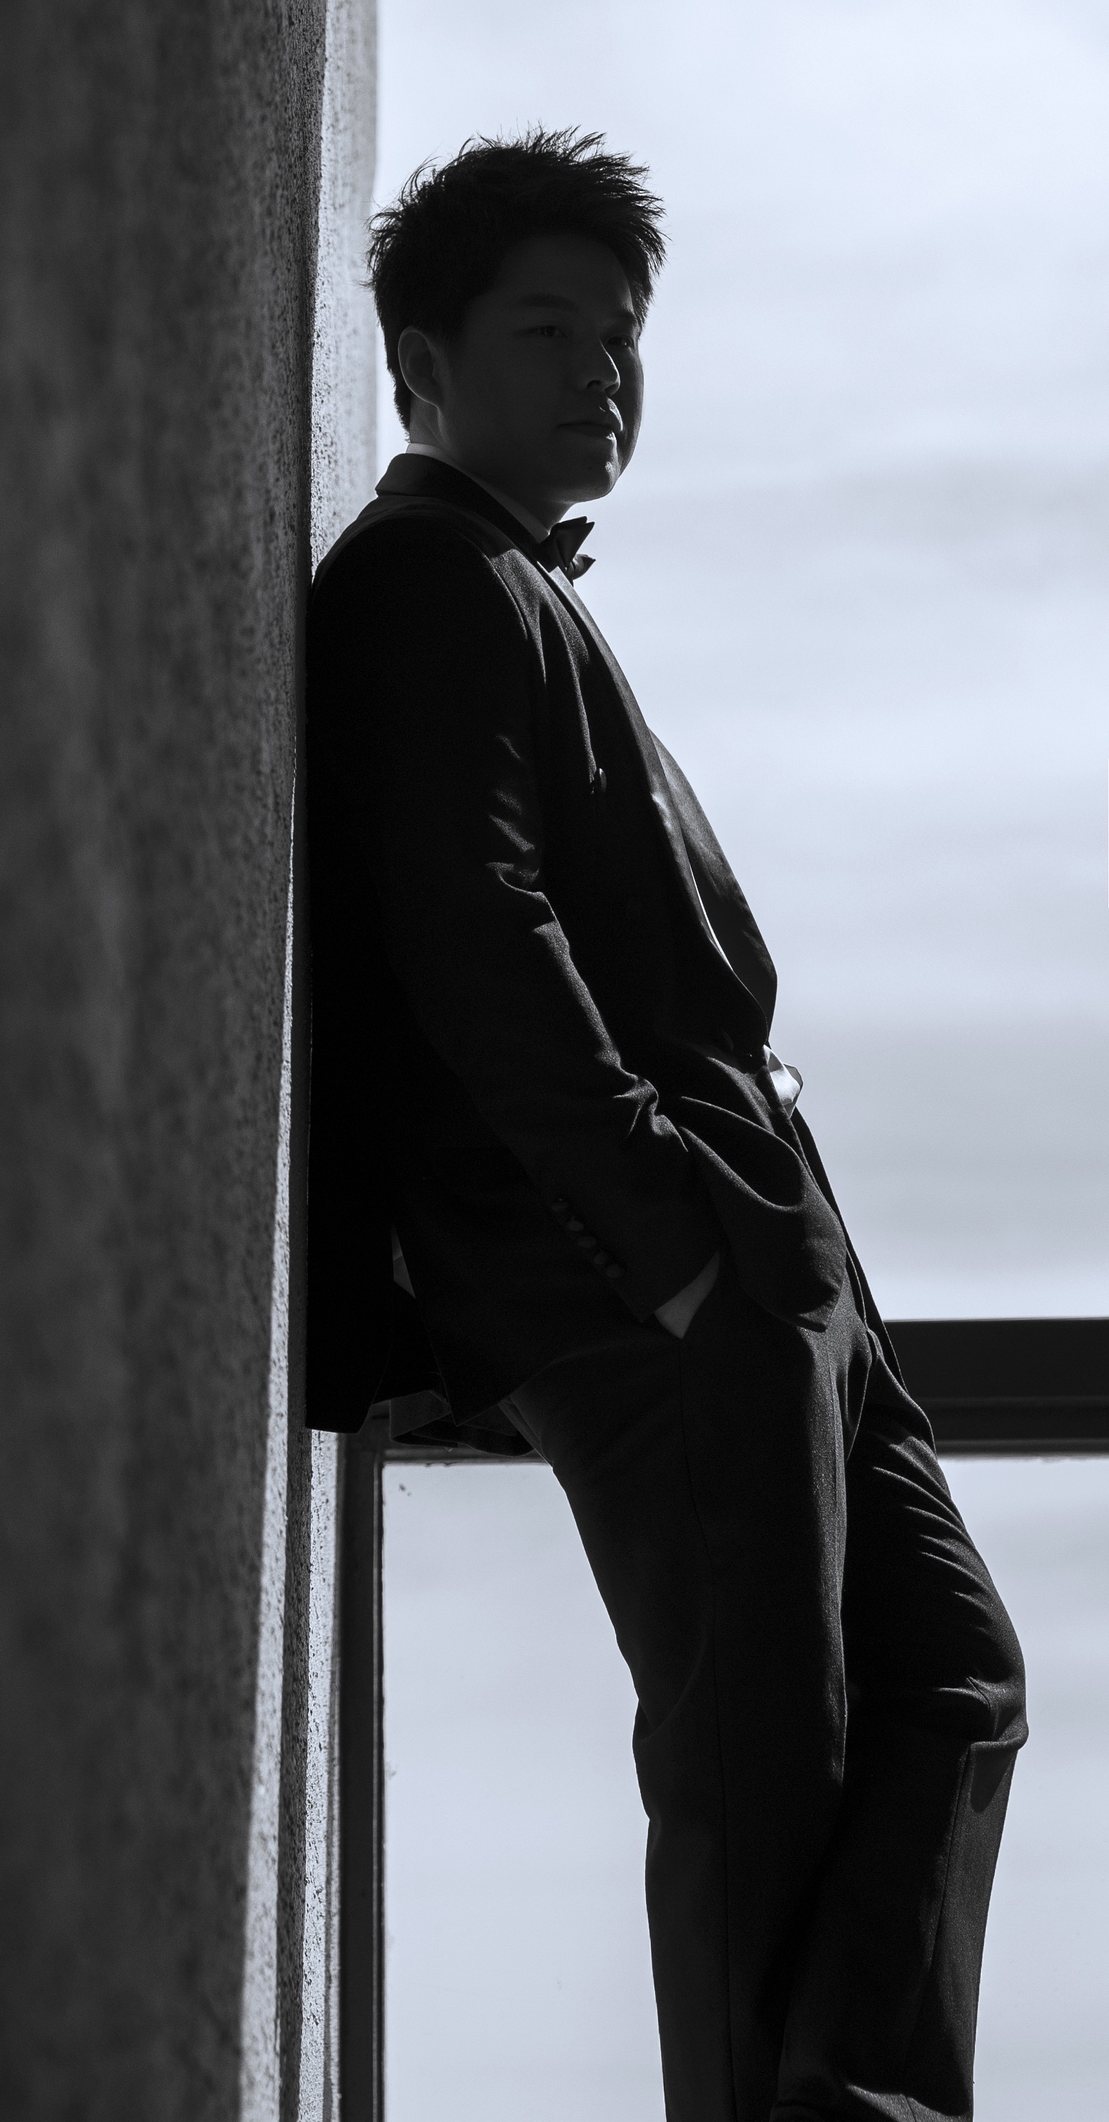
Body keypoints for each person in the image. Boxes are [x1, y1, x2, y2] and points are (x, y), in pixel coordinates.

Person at [304, 128, 1026, 2122]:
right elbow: (478, 934)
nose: (602, 371)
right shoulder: (425, 583)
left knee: (954, 1682)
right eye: (548, 331)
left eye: (621, 336)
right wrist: (673, 1251)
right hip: (664, 1275)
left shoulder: (508, 587)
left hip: (768, 1264)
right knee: (753, 1769)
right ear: (419, 362)